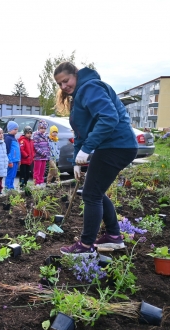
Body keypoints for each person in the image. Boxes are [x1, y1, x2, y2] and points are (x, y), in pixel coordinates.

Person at [54, 62, 138, 256]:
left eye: (66, 80)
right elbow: (81, 132)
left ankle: (85, 246)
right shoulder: (80, 95)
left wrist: (87, 149)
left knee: (91, 194)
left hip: (116, 145)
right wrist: (77, 159)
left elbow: (109, 118)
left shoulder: (90, 87)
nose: (64, 86)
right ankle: (113, 237)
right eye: (60, 84)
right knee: (95, 192)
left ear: (76, 74)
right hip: (113, 146)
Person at [32, 120, 50, 187]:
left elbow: (48, 145)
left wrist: (47, 153)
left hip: (44, 156)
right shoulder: (36, 135)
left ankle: (41, 181)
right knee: (37, 170)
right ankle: (36, 182)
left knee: (43, 170)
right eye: (41, 128)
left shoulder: (46, 135)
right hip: (38, 156)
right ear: (38, 128)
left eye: (44, 128)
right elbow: (35, 146)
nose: (43, 130)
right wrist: (42, 152)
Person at [4, 121, 20, 190]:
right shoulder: (8, 138)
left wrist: (19, 159)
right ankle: (7, 187)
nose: (16, 131)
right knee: (10, 174)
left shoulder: (15, 139)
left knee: (13, 175)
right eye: (15, 129)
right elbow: (7, 150)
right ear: (10, 129)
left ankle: (11, 186)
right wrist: (9, 161)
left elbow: (18, 150)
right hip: (11, 160)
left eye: (17, 129)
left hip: (16, 160)